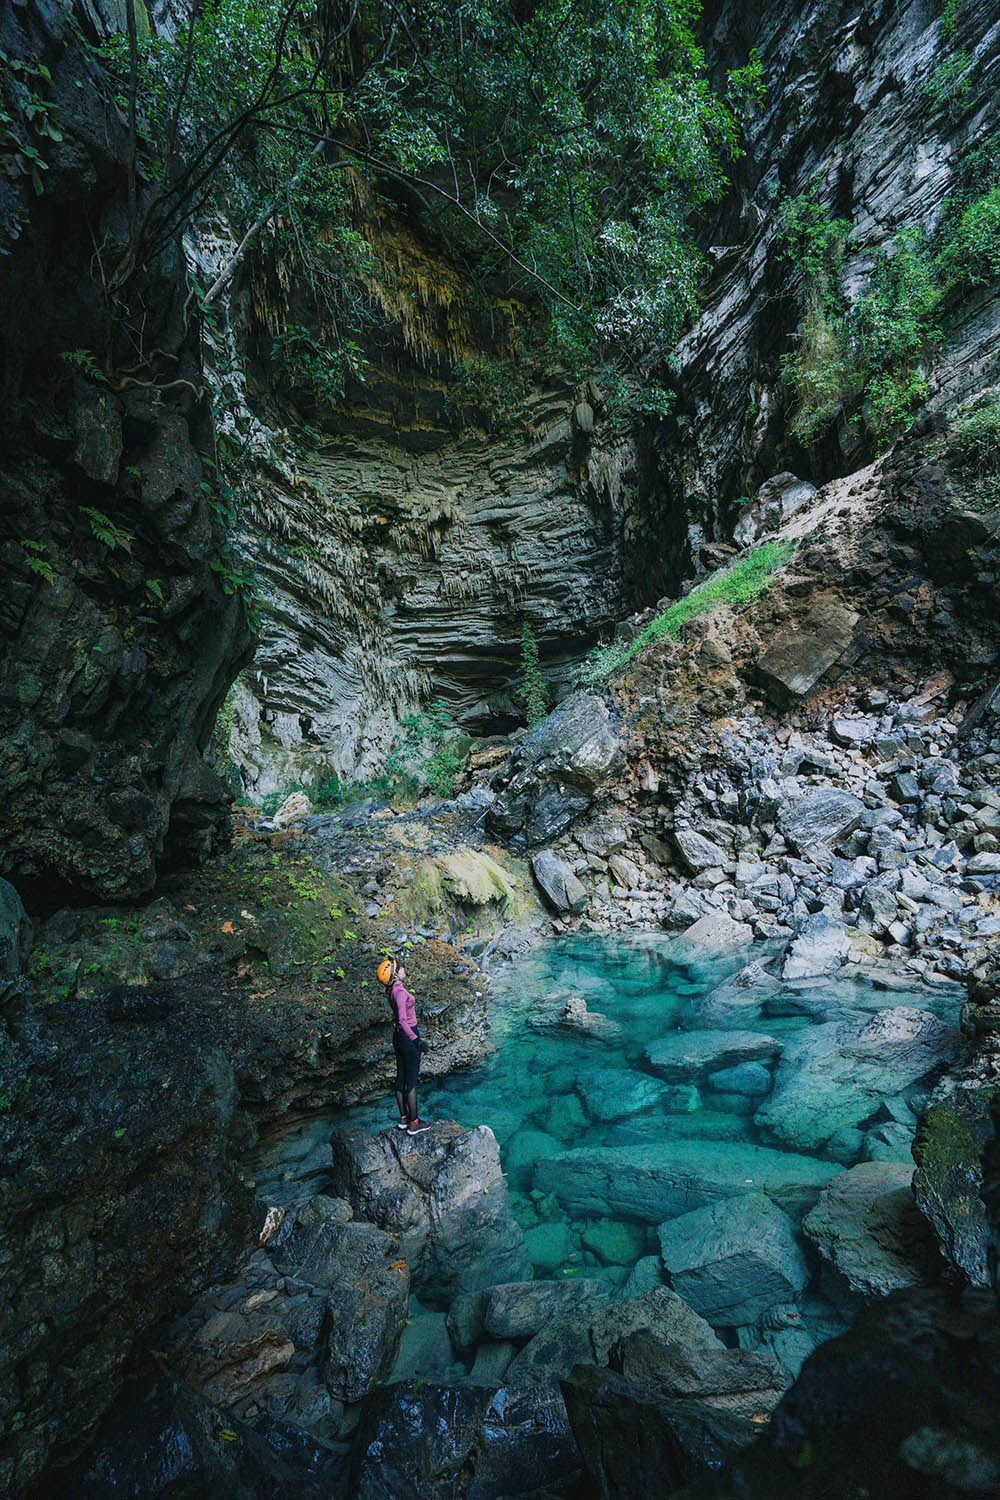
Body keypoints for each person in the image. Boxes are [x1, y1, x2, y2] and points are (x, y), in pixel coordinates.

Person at [377, 956, 431, 1135]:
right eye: (400, 968)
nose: (403, 969)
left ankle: (403, 1119)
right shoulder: (399, 992)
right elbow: (402, 1020)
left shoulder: (391, 990)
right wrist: (416, 1040)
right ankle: (414, 1123)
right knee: (411, 1082)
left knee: (401, 1078)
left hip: (398, 1038)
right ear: (395, 974)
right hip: (408, 1036)